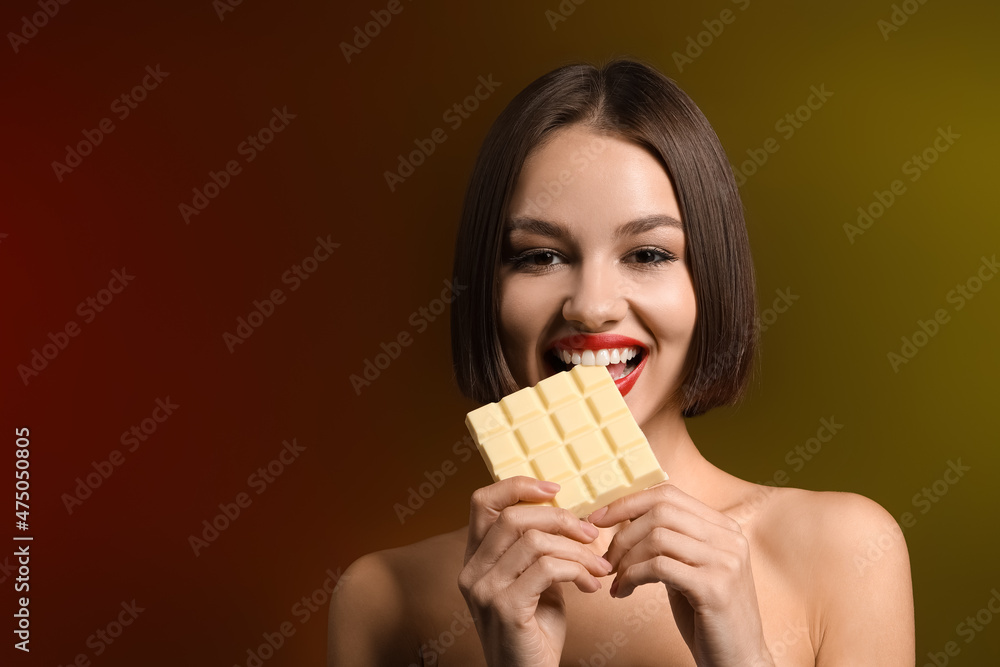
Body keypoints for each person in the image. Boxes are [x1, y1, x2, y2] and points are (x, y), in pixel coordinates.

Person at [328, 56, 914, 666]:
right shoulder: (385, 599)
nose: (592, 307)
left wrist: (743, 656)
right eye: (541, 257)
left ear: (709, 280)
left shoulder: (845, 551)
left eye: (649, 254)